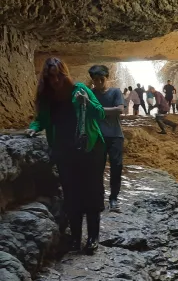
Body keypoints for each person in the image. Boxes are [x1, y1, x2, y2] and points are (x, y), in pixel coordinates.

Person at [27, 57, 105, 254]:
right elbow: (41, 120)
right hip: (64, 151)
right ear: (45, 78)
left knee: (92, 192)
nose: (55, 81)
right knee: (71, 194)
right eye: (50, 77)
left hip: (89, 149)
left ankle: (93, 237)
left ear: (65, 75)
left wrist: (87, 101)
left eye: (58, 76)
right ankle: (76, 238)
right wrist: (33, 128)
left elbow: (100, 113)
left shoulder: (79, 89)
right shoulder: (47, 98)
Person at [89, 65, 124, 212]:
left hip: (115, 135)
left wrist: (98, 110)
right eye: (96, 80)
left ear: (107, 77)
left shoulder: (115, 92)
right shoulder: (90, 93)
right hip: (97, 137)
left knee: (116, 167)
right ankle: (99, 199)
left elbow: (120, 110)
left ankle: (114, 199)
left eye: (101, 79)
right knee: (97, 169)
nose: (99, 82)